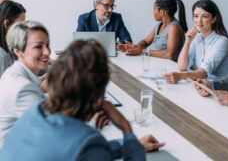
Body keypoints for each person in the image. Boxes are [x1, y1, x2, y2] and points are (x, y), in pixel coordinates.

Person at [0, 39, 165, 160]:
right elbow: (85, 149)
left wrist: (123, 145)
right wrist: (128, 132)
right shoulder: (88, 143)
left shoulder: (33, 114)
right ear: (98, 98)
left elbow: (71, 150)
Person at [0, 20, 50, 148]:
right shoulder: (22, 87)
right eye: (38, 47)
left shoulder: (14, 72)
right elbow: (49, 132)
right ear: (18, 51)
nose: (47, 52)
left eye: (47, 45)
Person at [165, 0, 228, 83]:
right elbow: (182, 66)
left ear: (214, 19)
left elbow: (204, 72)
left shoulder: (222, 41)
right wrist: (187, 42)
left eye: (204, 16)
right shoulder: (197, 37)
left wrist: (181, 76)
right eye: (196, 16)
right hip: (205, 85)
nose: (199, 21)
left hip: (222, 88)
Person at [117, 0, 187, 61]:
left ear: (162, 12)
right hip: (157, 63)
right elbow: (146, 42)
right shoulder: (159, 25)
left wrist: (143, 51)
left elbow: (169, 54)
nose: (153, 12)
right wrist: (136, 47)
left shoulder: (174, 28)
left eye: (154, 9)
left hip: (170, 67)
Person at [0, 0, 26, 77]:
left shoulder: (9, 46)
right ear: (6, 24)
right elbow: (8, 87)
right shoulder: (3, 56)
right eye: (20, 24)